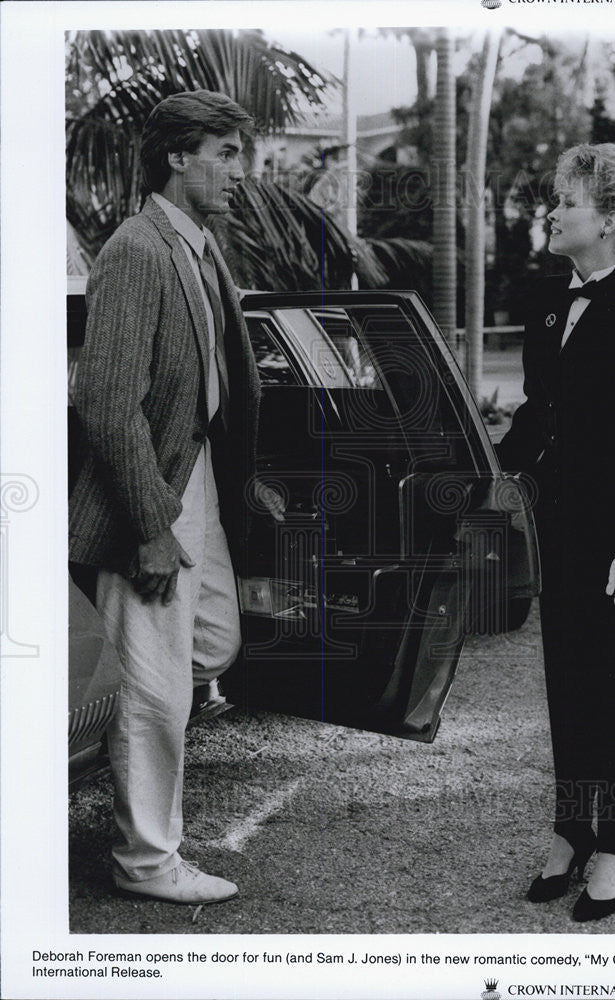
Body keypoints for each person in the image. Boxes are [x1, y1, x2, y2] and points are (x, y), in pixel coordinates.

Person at [69, 90, 266, 904]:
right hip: (147, 496)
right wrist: (151, 528)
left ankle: (121, 714)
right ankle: (147, 860)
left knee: (214, 644)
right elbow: (106, 403)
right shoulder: (138, 250)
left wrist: (241, 481)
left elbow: (215, 382)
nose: (237, 169)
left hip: (201, 482)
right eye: (223, 151)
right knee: (156, 688)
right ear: (178, 156)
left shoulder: (198, 244)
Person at [496, 143, 615, 921]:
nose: (553, 212)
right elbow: (543, 414)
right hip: (564, 531)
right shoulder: (547, 305)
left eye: (567, 202)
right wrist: (495, 466)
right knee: (568, 688)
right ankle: (572, 829)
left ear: (607, 220)